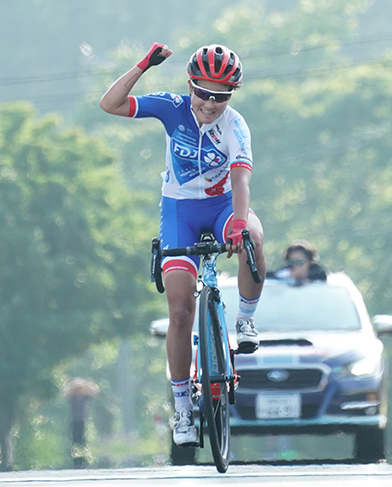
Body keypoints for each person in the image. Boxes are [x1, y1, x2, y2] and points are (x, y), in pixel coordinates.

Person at [99, 43, 266, 447]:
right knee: (178, 311)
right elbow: (110, 104)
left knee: (254, 240)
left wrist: (238, 225)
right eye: (203, 92)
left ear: (232, 95)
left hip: (224, 202)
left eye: (221, 95)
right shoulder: (172, 108)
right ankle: (183, 410)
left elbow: (241, 180)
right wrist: (143, 65)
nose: (210, 103)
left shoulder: (235, 127)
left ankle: (245, 318)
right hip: (181, 210)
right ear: (190, 85)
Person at [64, 377, 100, 467]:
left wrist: (88, 384)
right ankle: (76, 457)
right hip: (74, 421)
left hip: (83, 420)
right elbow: (66, 394)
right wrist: (72, 388)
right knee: (75, 439)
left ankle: (83, 457)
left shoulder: (85, 397)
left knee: (83, 440)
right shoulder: (72, 398)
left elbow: (95, 392)